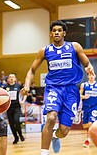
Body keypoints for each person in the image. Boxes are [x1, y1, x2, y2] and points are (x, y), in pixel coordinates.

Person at [20, 20, 95, 155]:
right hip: (53, 88)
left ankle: (55, 135)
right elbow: (31, 71)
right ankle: (44, 152)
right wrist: (26, 86)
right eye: (54, 31)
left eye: (59, 30)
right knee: (51, 117)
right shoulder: (45, 51)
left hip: (71, 90)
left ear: (64, 33)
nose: (56, 32)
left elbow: (87, 63)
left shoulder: (74, 47)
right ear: (50, 34)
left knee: (64, 131)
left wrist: (89, 68)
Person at [4, 74, 25, 144]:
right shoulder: (5, 87)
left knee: (16, 120)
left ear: (15, 79)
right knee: (11, 124)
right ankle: (16, 137)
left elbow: (25, 93)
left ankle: (20, 134)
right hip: (9, 108)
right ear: (8, 79)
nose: (11, 78)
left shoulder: (18, 86)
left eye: (13, 77)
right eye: (10, 77)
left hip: (17, 107)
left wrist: (23, 101)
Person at [79, 73, 97, 147]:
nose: (91, 76)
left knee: (90, 123)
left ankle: (87, 140)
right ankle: (90, 137)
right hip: (85, 107)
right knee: (86, 125)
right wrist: (83, 96)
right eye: (90, 75)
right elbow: (79, 95)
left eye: (93, 75)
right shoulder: (84, 85)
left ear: (95, 76)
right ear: (88, 76)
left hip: (94, 107)